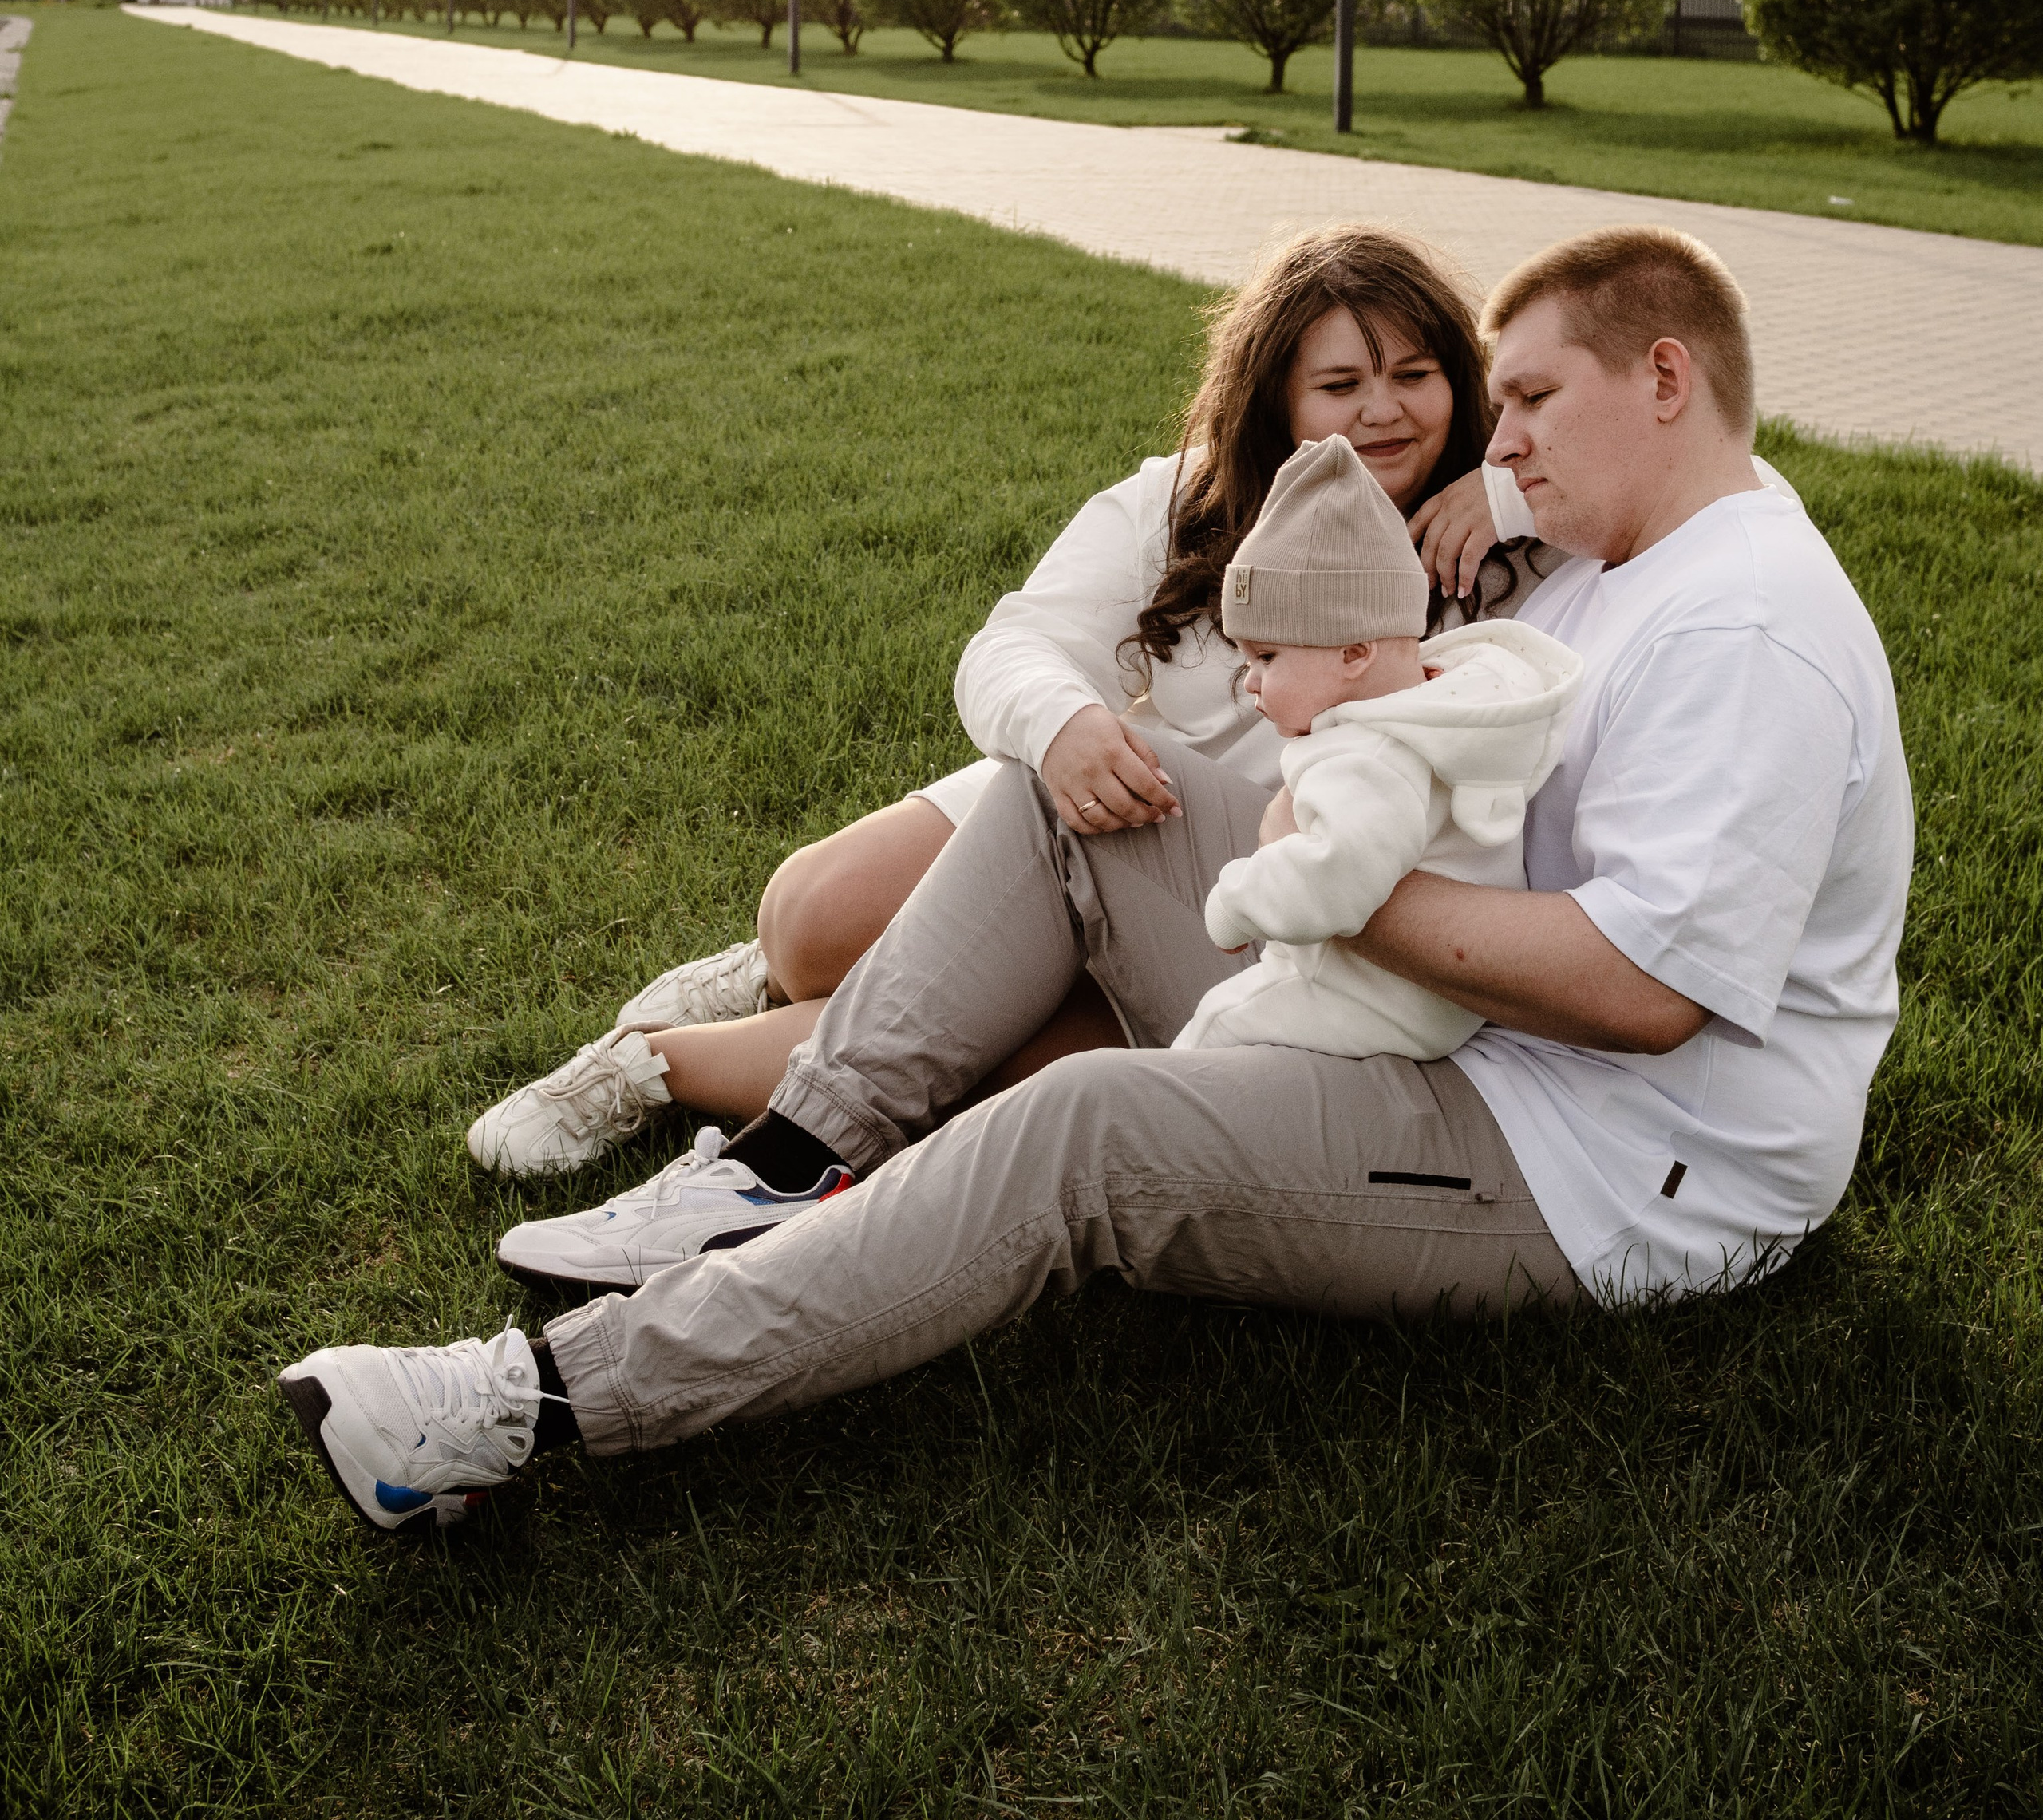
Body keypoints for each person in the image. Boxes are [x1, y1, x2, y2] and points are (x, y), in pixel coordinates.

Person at [278, 224, 1914, 1534]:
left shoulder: (1744, 619)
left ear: (1665, 375)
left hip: (1602, 1163)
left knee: (1083, 1124)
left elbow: (1645, 994)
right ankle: (781, 1156)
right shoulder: (1624, 544)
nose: (1497, 438)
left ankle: (523, 1402)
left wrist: (1327, 880)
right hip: (1436, 1009)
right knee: (1075, 803)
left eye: (1525, 404)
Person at [464, 223, 1554, 1178]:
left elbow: (1709, 478)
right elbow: (1017, 643)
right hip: (1094, 800)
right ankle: (765, 977)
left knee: (1015, 1059)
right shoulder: (1178, 500)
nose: (1383, 413)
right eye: (1340, 385)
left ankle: (647, 1065)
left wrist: (1507, 487)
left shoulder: (1502, 551)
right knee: (809, 923)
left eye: (1415, 375)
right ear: (1276, 396)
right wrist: (1068, 727)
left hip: (1233, 903)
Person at [1172, 432, 1580, 1061]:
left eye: (1267, 656)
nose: (1250, 681)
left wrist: (1236, 899)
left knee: (1214, 1026)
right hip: (1423, 998)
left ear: (1355, 651)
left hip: (1376, 999)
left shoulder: (1373, 756)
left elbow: (1341, 872)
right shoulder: (1438, 706)